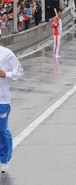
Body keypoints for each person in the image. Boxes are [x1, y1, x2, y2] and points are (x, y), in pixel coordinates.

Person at [0, 29, 24, 172]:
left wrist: (6, 74)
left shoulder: (6, 54)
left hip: (2, 100)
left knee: (2, 130)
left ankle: (4, 159)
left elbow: (19, 71)